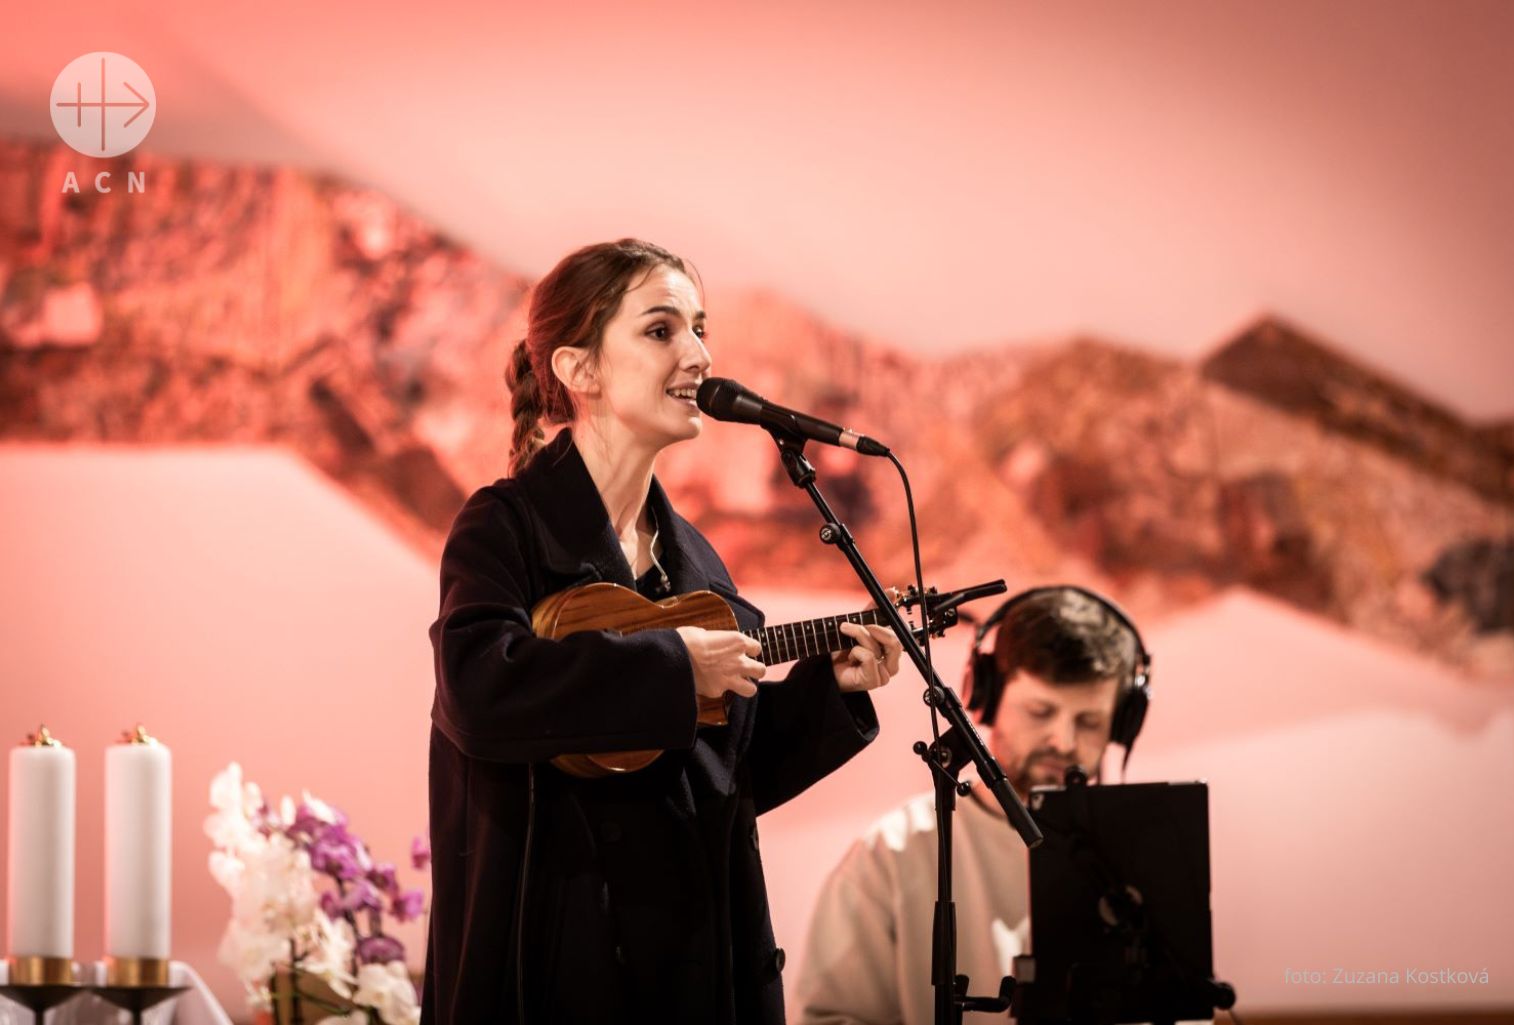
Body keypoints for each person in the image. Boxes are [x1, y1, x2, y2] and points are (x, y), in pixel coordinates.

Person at [424, 239, 905, 1024]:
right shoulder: (505, 527)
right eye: (661, 330)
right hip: (557, 964)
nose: (700, 355)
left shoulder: (698, 564)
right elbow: (479, 692)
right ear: (579, 369)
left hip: (688, 967)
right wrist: (673, 669)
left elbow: (727, 775)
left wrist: (829, 689)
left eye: (700, 328)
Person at [792, 586, 1147, 1025]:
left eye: (1089, 721)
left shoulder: (1142, 849)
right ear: (986, 696)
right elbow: (829, 1017)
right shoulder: (894, 853)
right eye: (1040, 711)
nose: (1063, 741)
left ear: (1122, 723)